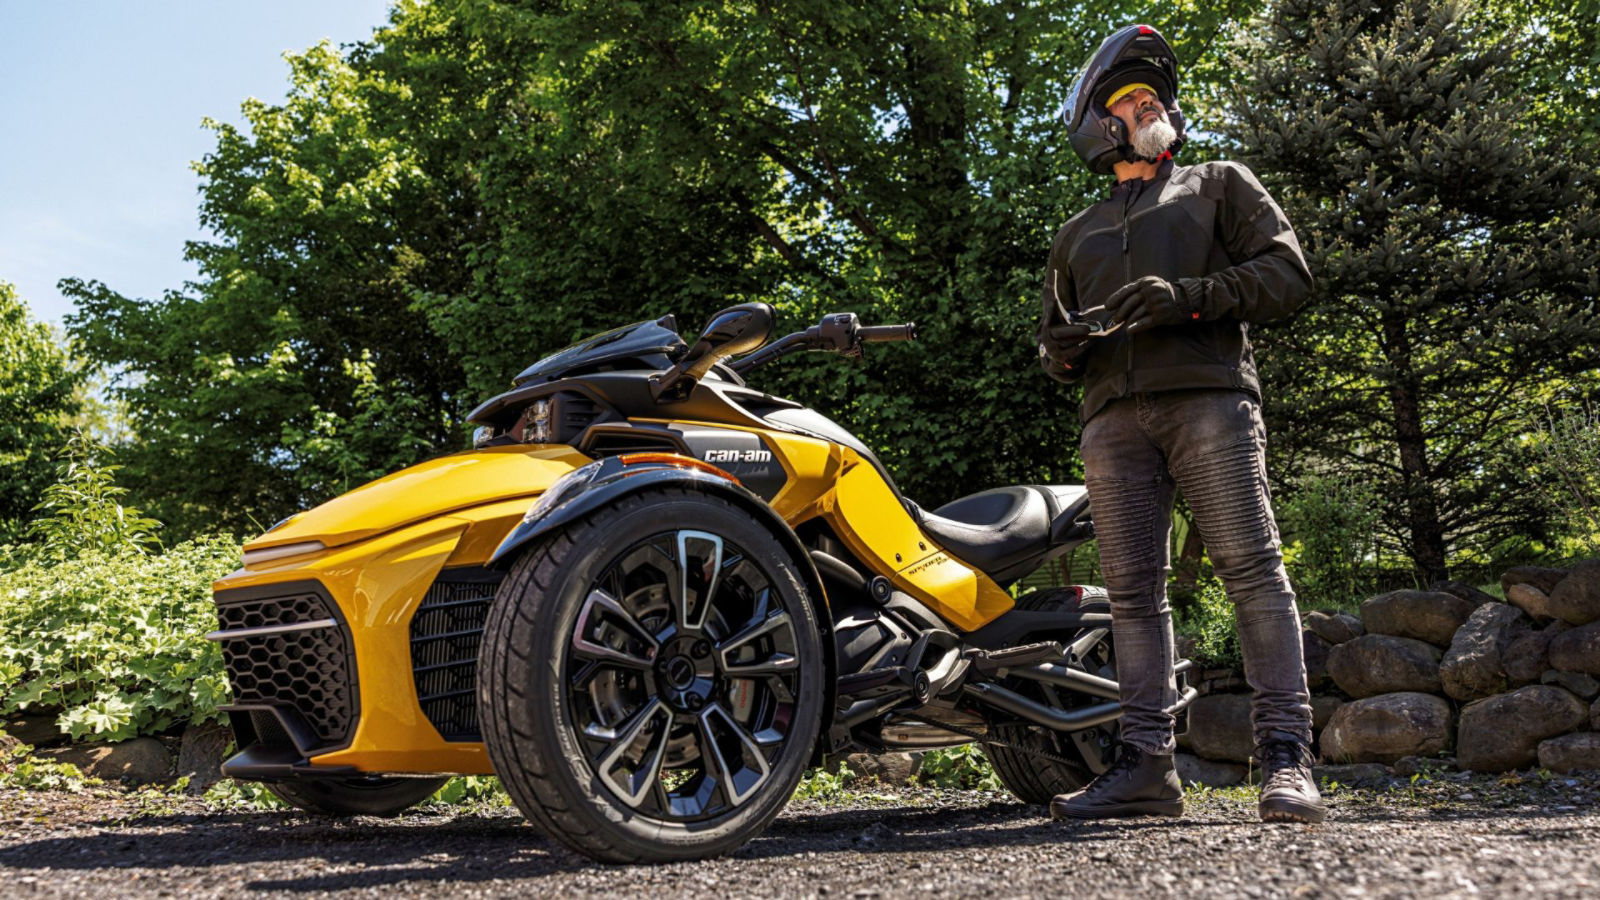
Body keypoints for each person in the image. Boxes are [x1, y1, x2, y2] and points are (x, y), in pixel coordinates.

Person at [1038, 24, 1326, 824]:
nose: (1152, 101)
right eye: (1133, 98)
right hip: (1111, 423)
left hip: (1209, 401)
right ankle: (1146, 769)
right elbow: (1051, 338)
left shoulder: (1218, 184)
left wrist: (1188, 295)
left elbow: (1287, 273)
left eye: (1155, 94)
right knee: (1131, 595)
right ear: (1103, 125)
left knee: (1252, 569)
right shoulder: (1077, 233)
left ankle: (1286, 758)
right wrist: (1058, 352)